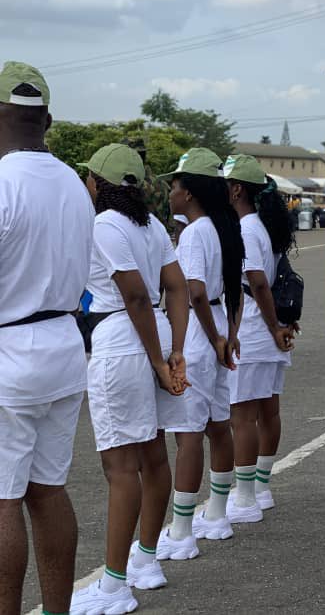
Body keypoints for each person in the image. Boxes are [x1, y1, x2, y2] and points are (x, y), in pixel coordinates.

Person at [70, 144, 191, 614]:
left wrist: (162, 361)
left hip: (124, 339)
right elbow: (174, 287)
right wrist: (175, 350)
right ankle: (146, 560)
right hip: (153, 332)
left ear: (98, 183)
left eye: (88, 178)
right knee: (153, 457)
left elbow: (136, 296)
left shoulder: (103, 224)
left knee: (121, 469)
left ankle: (115, 586)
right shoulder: (152, 224)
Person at [0, 62, 94, 615]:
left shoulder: (2, 181)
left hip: (11, 351)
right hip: (64, 344)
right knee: (48, 489)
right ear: (48, 120)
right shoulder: (74, 185)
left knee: (4, 497)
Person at [157, 147, 245, 558]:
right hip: (215, 334)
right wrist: (229, 335)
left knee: (188, 436)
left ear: (189, 193)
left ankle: (182, 531)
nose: (170, 193)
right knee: (218, 426)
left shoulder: (194, 233)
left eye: (174, 186)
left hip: (197, 336)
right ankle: (219, 515)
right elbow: (234, 290)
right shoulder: (225, 228)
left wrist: (212, 338)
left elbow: (194, 291)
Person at [223, 154, 297, 521]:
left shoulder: (246, 228)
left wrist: (272, 328)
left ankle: (246, 497)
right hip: (265, 329)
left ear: (237, 190)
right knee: (268, 411)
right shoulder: (261, 227)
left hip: (255, 328)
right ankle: (261, 487)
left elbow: (257, 282)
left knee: (243, 417)